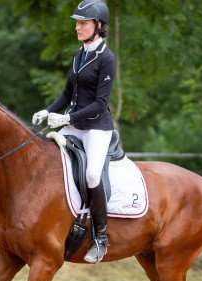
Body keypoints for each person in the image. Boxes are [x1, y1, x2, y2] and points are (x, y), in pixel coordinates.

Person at [32, 0, 116, 264]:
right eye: (77, 22)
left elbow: (100, 104)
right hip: (74, 124)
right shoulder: (79, 55)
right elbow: (67, 94)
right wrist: (47, 111)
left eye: (83, 22)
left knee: (92, 175)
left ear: (98, 26)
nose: (77, 27)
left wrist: (66, 117)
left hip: (96, 128)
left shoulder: (107, 59)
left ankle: (101, 238)